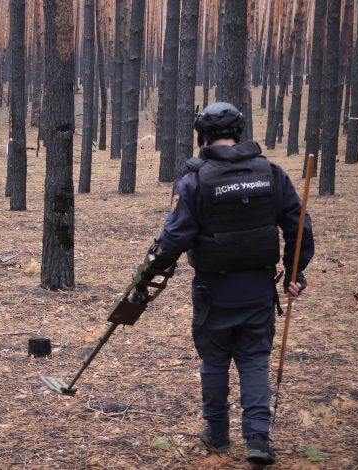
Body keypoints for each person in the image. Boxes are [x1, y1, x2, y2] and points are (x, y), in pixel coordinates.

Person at [133, 102, 314, 465]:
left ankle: (217, 434)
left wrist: (147, 273)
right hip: (258, 290)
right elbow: (299, 227)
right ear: (239, 132)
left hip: (214, 293)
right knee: (254, 360)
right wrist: (296, 273)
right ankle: (258, 438)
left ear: (204, 135)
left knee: (215, 361)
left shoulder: (196, 181)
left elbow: (173, 239)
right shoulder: (272, 174)